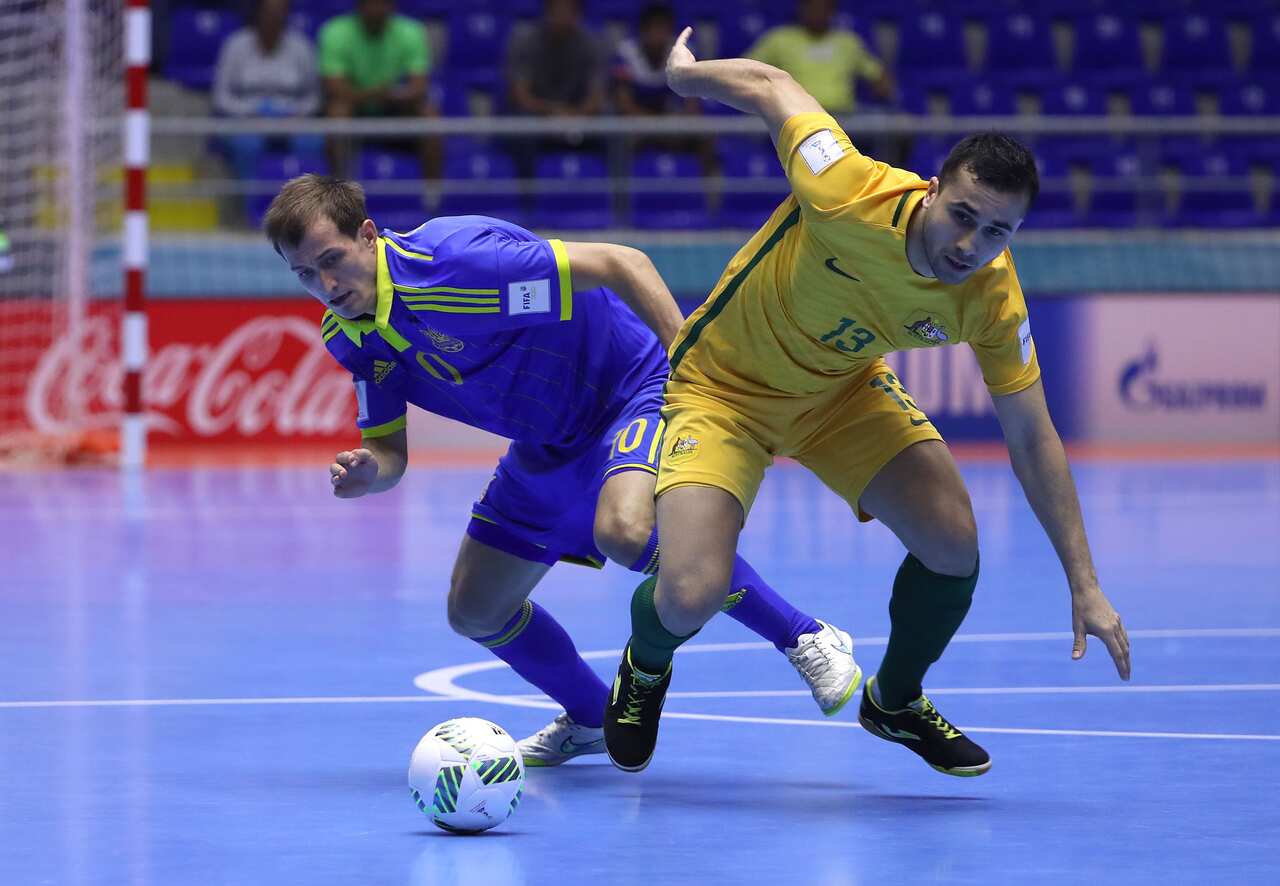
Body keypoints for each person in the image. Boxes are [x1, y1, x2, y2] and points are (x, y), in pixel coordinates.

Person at [602, 28, 1132, 777]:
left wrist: (1084, 580)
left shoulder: (992, 298)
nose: (971, 245)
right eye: (964, 215)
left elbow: (1034, 437)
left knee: (952, 544)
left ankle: (896, 701)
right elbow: (771, 84)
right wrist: (687, 79)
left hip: (841, 393)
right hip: (725, 390)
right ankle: (644, 667)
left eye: (998, 232)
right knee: (690, 592)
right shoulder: (847, 187)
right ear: (932, 190)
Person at [262, 175, 861, 764]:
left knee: (625, 530)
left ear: (367, 234)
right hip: (547, 442)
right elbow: (390, 453)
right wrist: (372, 472)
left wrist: (693, 370)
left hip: (629, 390)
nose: (326, 284)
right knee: (475, 609)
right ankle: (591, 718)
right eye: (305, 274)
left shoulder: (460, 264)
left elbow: (623, 263)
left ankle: (804, 634)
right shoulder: (350, 337)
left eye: (332, 259)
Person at [318, 0, 438, 179]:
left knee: (429, 114)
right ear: (359, 5)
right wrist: (375, 94)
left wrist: (393, 95)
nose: (376, 9)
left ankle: (432, 195)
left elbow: (419, 87)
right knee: (337, 111)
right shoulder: (334, 31)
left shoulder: (412, 31)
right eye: (371, 3)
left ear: (392, 5)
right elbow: (334, 88)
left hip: (394, 105)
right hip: (355, 107)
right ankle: (337, 190)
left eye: (382, 3)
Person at [212, 0, 322, 181]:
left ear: (287, 15)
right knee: (248, 145)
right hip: (246, 121)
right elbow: (221, 97)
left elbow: (314, 97)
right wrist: (251, 111)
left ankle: (303, 203)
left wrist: (295, 112)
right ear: (258, 14)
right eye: (269, 12)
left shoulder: (301, 47)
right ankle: (250, 204)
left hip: (292, 120)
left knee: (310, 143)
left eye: (279, 12)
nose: (274, 17)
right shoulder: (236, 44)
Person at [746, 0, 893, 115]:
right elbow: (746, 70)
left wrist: (884, 89)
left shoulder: (847, 42)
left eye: (823, 8)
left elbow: (879, 77)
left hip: (844, 118)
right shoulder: (779, 39)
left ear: (832, 11)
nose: (817, 13)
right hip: (794, 114)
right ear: (802, 9)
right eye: (812, 7)